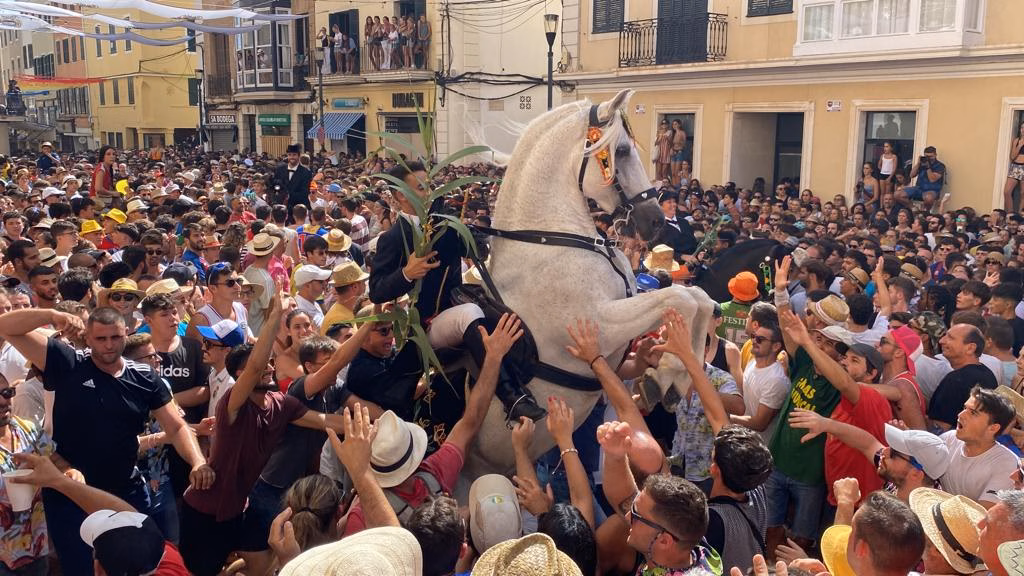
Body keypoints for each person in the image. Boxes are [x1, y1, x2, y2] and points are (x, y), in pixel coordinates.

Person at [0, 306, 212, 576]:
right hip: (69, 492)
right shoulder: (66, 362)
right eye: (100, 339)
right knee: (83, 569)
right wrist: (52, 316)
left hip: (125, 490)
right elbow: (5, 326)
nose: (109, 345)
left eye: (115, 337)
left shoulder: (145, 377)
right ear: (87, 338)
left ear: (127, 335)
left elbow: (176, 425)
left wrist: (197, 461)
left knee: (140, 566)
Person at [369, 161, 543, 423]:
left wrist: (467, 231)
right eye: (421, 187)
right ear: (401, 195)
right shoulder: (393, 238)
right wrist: (407, 272)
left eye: (430, 185)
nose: (430, 191)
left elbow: (478, 250)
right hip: (422, 326)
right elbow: (376, 291)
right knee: (469, 313)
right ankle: (512, 396)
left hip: (456, 303)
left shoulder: (444, 225)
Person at [938, 386, 1018, 506]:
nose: (960, 415)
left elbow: (983, 516)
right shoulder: (948, 439)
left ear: (993, 428)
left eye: (973, 413)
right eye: (965, 408)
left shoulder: (1006, 464)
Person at [928, 324, 998, 432]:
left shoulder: (955, 380)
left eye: (950, 338)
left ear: (970, 348)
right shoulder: (988, 374)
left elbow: (939, 429)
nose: (941, 341)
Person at [274, 145, 313, 222]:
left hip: (298, 209)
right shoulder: (280, 169)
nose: (292, 157)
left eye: (294, 155)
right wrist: (278, 193)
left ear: (299, 156)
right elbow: (276, 185)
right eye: (290, 155)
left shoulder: (306, 172)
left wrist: (288, 196)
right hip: (280, 208)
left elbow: (305, 192)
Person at [1003, 121, 1024, 212]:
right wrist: (1019, 146)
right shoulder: (1016, 140)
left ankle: (1020, 215)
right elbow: (1012, 156)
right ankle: (1010, 213)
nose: (1023, 130)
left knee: (1023, 193)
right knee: (1007, 192)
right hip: (1015, 167)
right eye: (1022, 128)